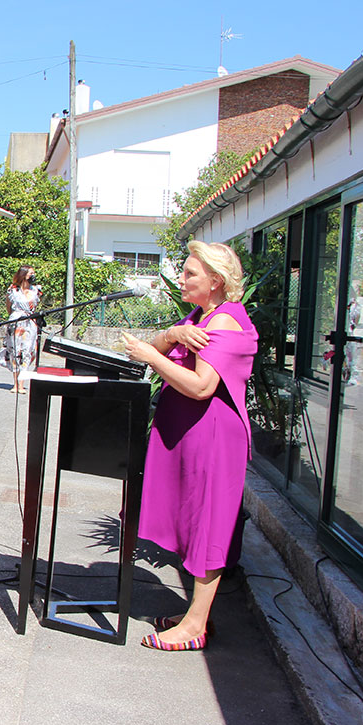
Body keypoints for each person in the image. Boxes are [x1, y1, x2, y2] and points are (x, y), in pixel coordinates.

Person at [121, 241, 258, 651]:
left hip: (213, 439)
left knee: (209, 525)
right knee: (194, 521)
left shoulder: (225, 323)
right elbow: (167, 347)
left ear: (215, 281)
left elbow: (202, 387)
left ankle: (194, 626)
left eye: (190, 274)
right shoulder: (202, 316)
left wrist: (150, 354)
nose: (181, 279)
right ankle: (195, 616)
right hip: (193, 436)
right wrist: (171, 334)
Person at [2, 266, 42, 394]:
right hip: (16, 323)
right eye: (31, 273)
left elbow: (36, 307)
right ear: (24, 275)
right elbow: (9, 307)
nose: (33, 275)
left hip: (30, 323)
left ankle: (21, 384)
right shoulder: (13, 290)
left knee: (27, 351)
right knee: (14, 351)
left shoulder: (36, 290)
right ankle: (15, 383)